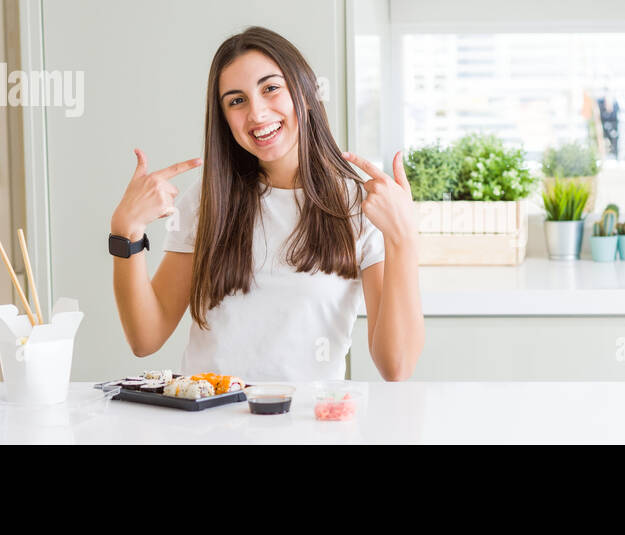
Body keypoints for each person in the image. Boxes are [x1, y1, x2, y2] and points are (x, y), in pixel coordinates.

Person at [108, 26, 423, 381]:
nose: (257, 114)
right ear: (225, 119)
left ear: (305, 93)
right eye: (237, 100)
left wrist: (403, 238)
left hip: (309, 426)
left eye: (271, 88)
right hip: (208, 426)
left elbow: (395, 367)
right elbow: (145, 339)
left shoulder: (360, 207)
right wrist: (126, 233)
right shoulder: (207, 200)